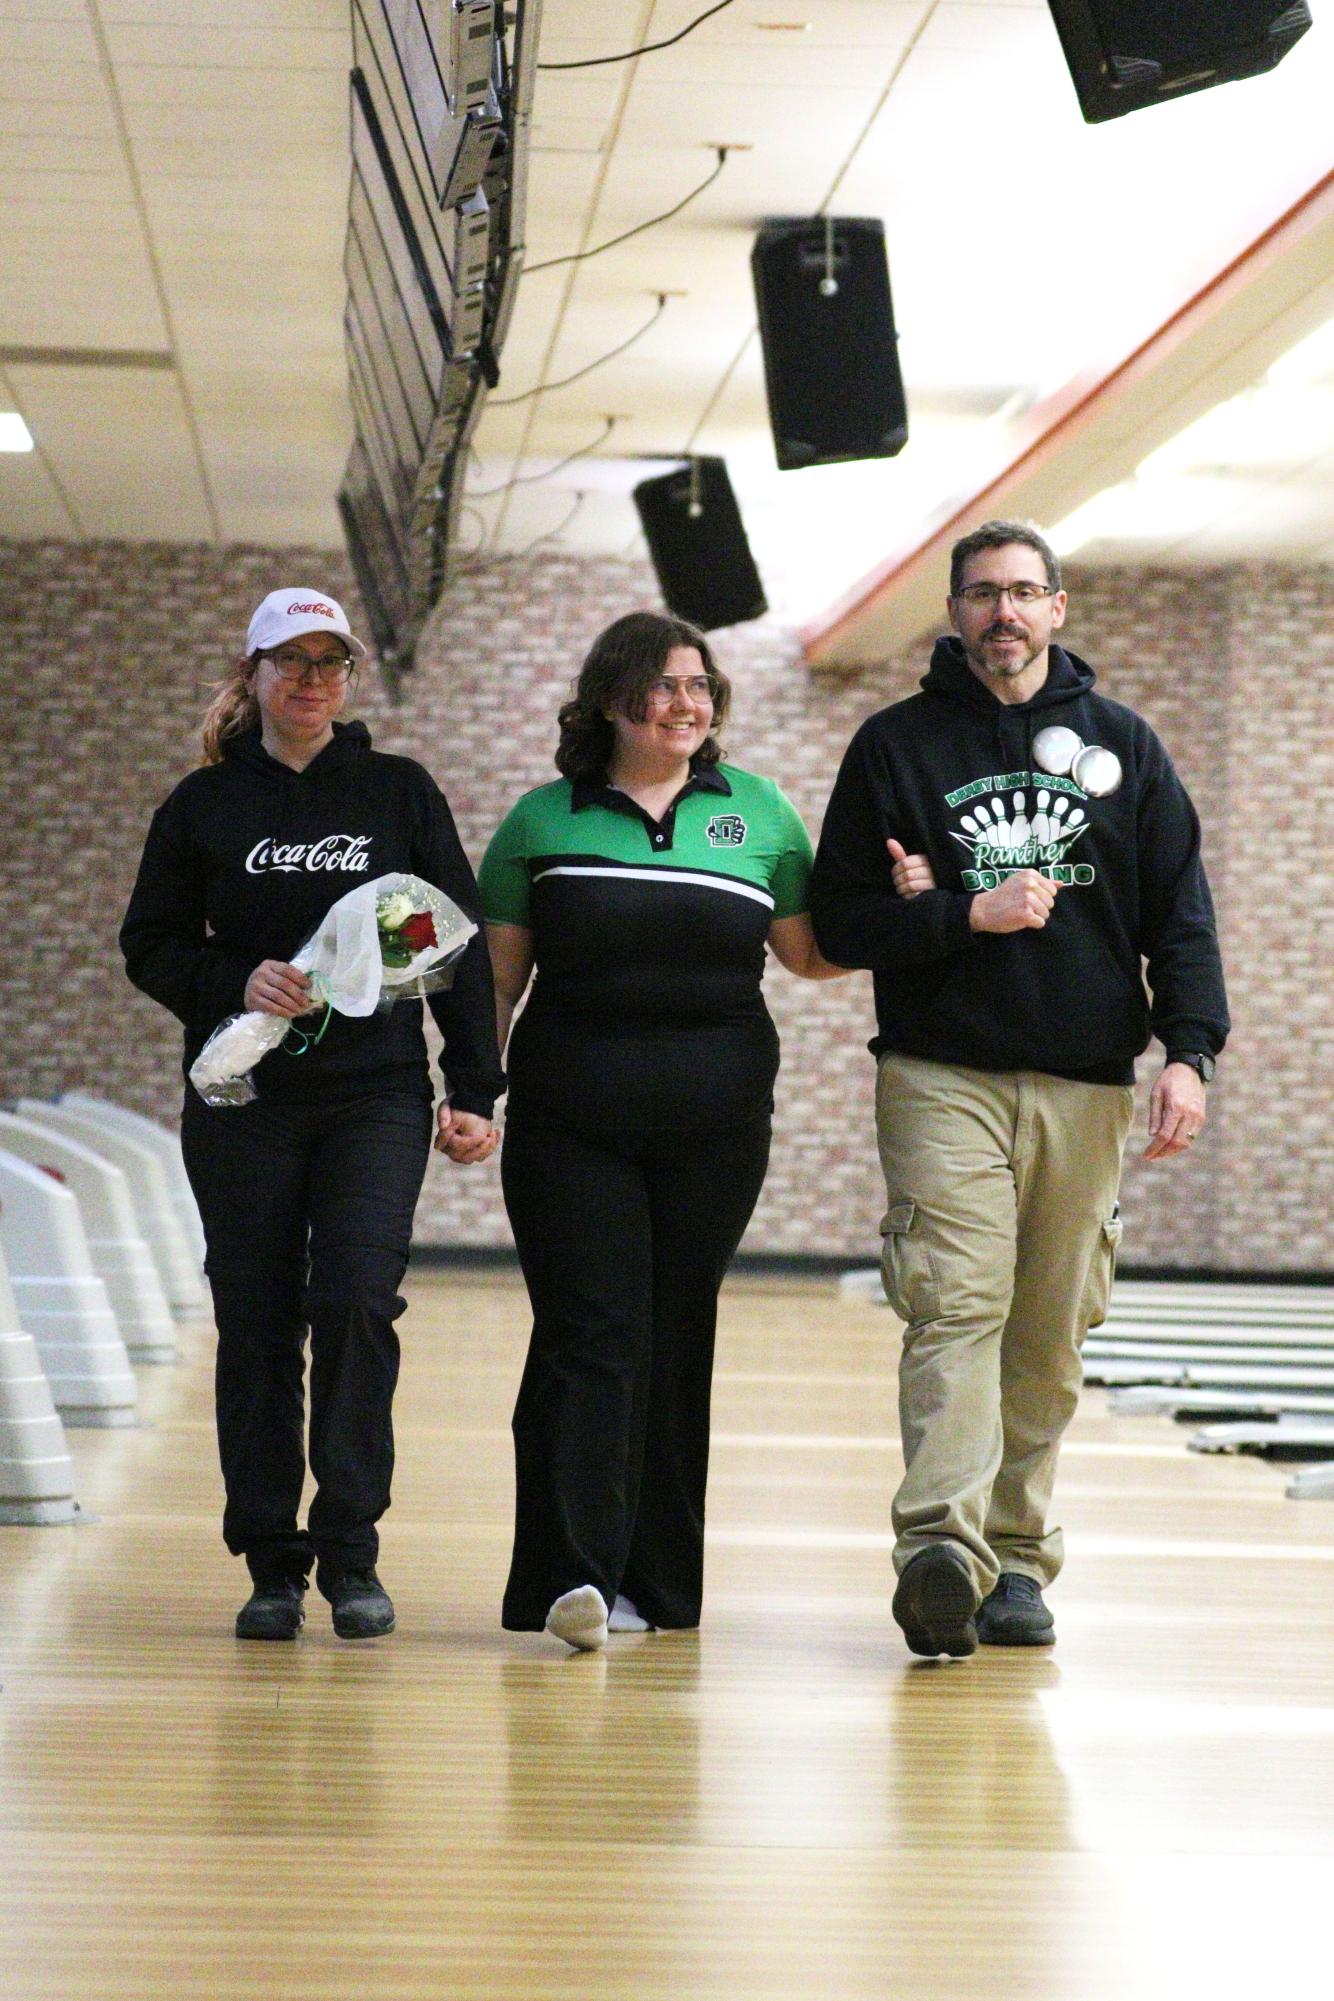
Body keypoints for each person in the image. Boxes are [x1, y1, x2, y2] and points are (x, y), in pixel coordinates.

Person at [809, 521, 1229, 1659]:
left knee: (1046, 1332)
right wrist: (955, 913)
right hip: (939, 1071)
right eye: (982, 593)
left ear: (1056, 608)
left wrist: (1187, 1052)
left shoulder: (1123, 747)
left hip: (1086, 1082)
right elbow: (838, 922)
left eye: (1023, 593)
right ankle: (941, 1547)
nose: (1003, 612)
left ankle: (1015, 1562)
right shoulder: (894, 748)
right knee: (955, 1302)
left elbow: (1176, 915)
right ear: (952, 612)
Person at [120, 587, 503, 1643]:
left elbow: (453, 942)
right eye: (289, 661)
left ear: (347, 680)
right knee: (255, 1321)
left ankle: (351, 1549)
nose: (310, 680)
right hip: (244, 1098)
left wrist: (474, 1089)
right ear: (251, 675)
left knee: (354, 1299)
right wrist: (233, 980)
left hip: (374, 1092)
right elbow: (149, 944)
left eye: (330, 663)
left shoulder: (395, 793)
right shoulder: (202, 806)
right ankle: (270, 1561)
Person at [479, 610, 848, 1650]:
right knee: (593, 1330)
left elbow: (810, 956)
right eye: (662, 686)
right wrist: (470, 1091)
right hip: (569, 1121)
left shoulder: (759, 813)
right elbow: (495, 987)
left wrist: (908, 909)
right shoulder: (541, 820)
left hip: (717, 1124)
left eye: (699, 686)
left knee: (676, 1332)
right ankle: (570, 1578)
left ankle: (657, 1588)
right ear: (610, 700)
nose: (685, 703)